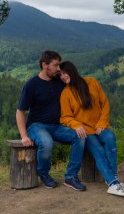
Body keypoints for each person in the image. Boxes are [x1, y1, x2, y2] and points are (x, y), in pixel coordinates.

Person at [59, 61, 124, 197]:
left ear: (72, 71)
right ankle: (113, 184)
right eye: (60, 75)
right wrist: (77, 125)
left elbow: (104, 103)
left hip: (100, 126)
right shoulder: (66, 93)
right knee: (98, 150)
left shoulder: (92, 82)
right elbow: (65, 117)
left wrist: (102, 122)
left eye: (64, 73)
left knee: (110, 138)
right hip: (86, 131)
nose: (62, 77)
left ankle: (112, 177)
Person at [16, 51, 86, 191]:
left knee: (80, 137)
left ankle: (71, 176)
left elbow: (73, 88)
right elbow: (20, 111)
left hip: (59, 126)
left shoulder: (58, 82)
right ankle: (43, 173)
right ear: (44, 65)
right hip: (37, 126)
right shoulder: (32, 85)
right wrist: (24, 135)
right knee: (46, 143)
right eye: (55, 65)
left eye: (59, 65)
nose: (58, 68)